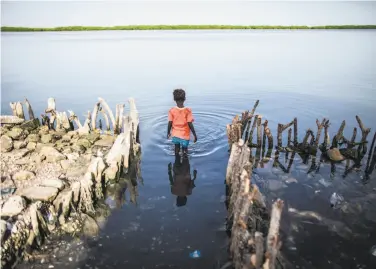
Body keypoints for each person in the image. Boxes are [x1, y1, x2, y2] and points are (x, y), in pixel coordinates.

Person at [167, 89, 198, 156]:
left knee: (176, 150)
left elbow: (170, 123)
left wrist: (168, 133)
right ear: (185, 99)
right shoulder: (188, 111)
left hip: (175, 135)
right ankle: (185, 162)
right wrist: (195, 135)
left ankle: (176, 163)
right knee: (185, 151)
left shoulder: (171, 110)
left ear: (174, 99)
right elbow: (190, 124)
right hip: (185, 136)